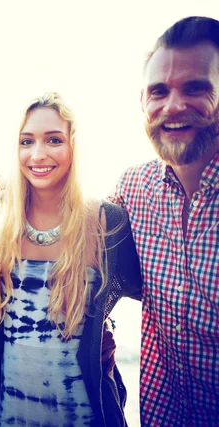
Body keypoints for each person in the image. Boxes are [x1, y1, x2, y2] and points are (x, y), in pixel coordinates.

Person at [0, 93, 141, 426]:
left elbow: (154, 290)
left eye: (54, 140)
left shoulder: (106, 221)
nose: (37, 154)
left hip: (86, 415)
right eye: (26, 141)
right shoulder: (4, 222)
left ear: (74, 146)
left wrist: (103, 330)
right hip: (10, 415)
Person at [109, 16, 219, 425]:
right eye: (159, 92)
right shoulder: (133, 188)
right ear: (142, 102)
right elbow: (81, 245)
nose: (173, 106)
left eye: (196, 88)